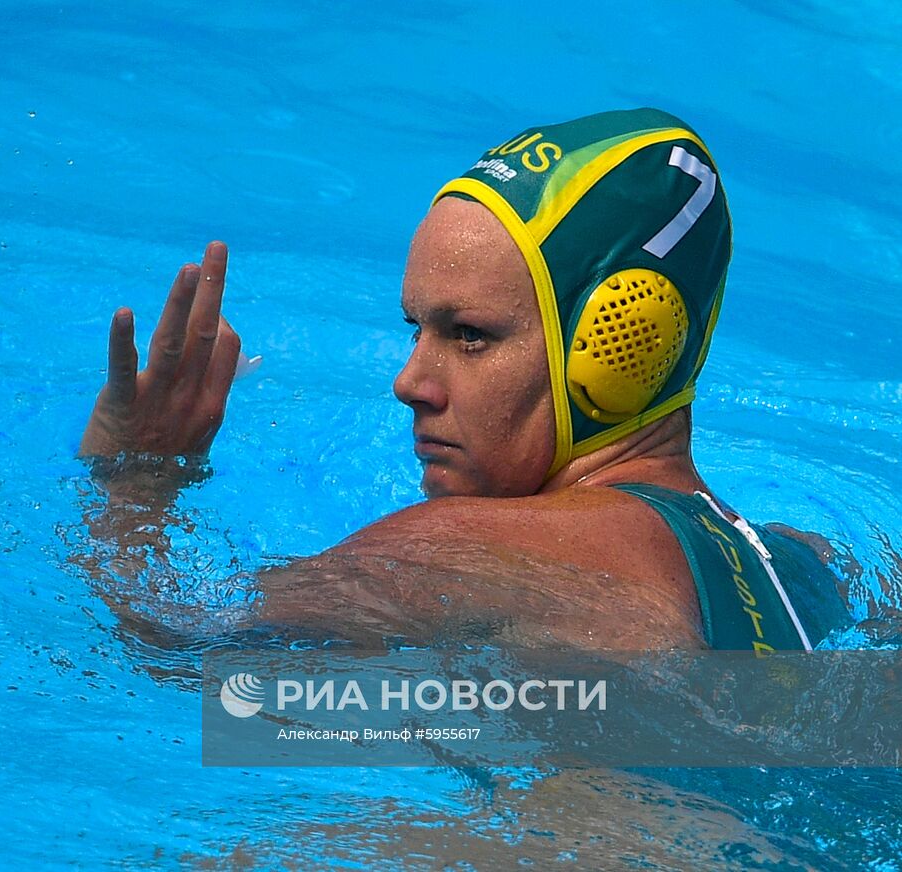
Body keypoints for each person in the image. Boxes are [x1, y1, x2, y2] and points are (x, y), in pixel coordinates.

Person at [78, 107, 852, 652]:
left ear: (620, 347)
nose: (410, 381)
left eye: (470, 336)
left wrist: (137, 480)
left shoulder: (467, 551)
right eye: (417, 329)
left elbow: (172, 644)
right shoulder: (809, 568)